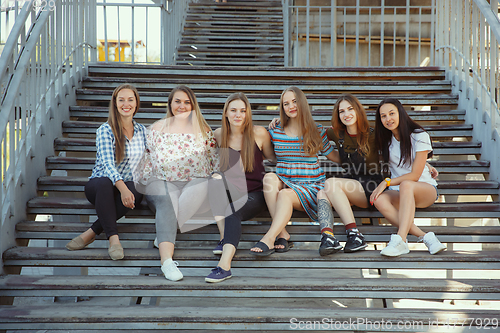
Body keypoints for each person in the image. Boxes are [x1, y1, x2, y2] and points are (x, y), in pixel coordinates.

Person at [135, 85, 218, 281]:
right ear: (170, 104)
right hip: (159, 182)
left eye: (187, 102)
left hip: (192, 184)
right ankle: (167, 262)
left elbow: (213, 160)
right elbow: (144, 162)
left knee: (203, 183)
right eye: (178, 101)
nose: (182, 105)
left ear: (193, 105)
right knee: (167, 200)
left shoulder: (203, 130)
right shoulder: (156, 128)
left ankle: (165, 230)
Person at [250, 86, 339, 256]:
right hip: (285, 180)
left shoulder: (317, 130)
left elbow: (333, 156)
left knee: (284, 195)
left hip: (311, 185)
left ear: (302, 103)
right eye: (286, 104)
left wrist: (359, 158)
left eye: (294, 101)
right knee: (269, 177)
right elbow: (265, 155)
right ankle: (282, 233)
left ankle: (269, 238)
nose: (291, 106)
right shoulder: (275, 130)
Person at [66, 84, 147, 260]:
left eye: (130, 99)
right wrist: (123, 189)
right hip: (100, 185)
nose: (126, 104)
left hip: (127, 185)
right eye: (121, 100)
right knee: (104, 182)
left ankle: (91, 232)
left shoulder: (143, 131)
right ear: (115, 104)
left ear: (136, 103)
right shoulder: (105, 130)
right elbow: (108, 165)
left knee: (139, 188)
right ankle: (114, 240)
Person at [206, 92, 276, 282]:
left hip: (255, 194)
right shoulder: (218, 135)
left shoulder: (259, 133)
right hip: (229, 193)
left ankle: (224, 266)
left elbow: (274, 158)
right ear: (226, 113)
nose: (238, 115)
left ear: (248, 114)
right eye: (233, 110)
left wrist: (279, 126)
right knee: (213, 180)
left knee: (232, 209)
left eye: (242, 111)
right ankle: (223, 238)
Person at [370, 97, 446, 257]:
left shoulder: (419, 135)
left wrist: (386, 182)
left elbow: (415, 175)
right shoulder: (385, 140)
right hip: (400, 192)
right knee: (378, 199)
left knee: (406, 184)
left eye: (391, 113)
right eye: (383, 116)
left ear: (401, 113)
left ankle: (400, 239)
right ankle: (425, 237)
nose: (388, 119)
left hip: (424, 190)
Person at [316, 94, 384, 255]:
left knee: (330, 183)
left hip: (371, 186)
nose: (346, 114)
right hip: (351, 183)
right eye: (342, 111)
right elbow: (311, 130)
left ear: (358, 110)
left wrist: (426, 163)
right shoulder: (337, 134)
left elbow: (399, 148)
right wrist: (277, 123)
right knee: (321, 193)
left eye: (350, 109)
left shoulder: (374, 134)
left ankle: (355, 235)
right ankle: (328, 237)